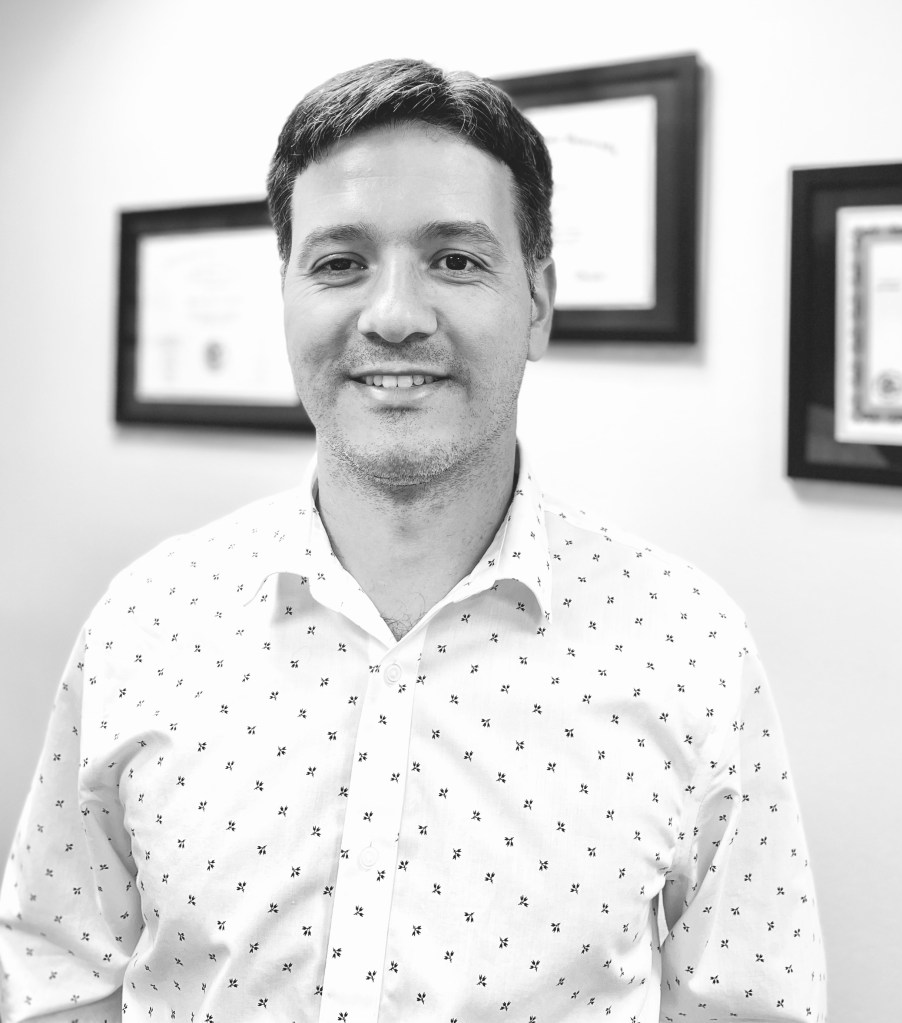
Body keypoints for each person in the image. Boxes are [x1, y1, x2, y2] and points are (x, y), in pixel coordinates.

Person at [0, 58, 826, 1022]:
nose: (393, 315)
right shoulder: (145, 619)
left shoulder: (690, 642)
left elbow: (750, 1003)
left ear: (538, 303)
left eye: (456, 259)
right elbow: (58, 968)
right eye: (340, 263)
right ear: (286, 296)